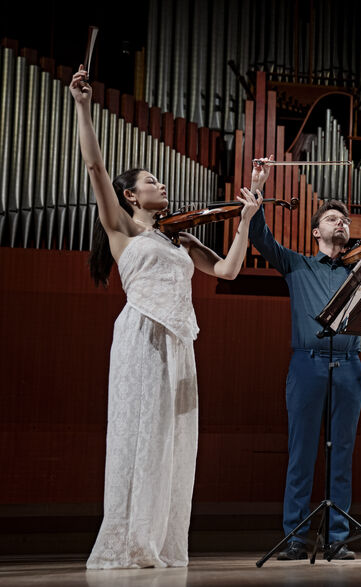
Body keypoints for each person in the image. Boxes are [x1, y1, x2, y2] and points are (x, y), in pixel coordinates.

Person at [69, 66, 262, 569]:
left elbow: (229, 271)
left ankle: (159, 541)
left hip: (180, 342)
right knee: (140, 432)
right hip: (141, 333)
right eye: (151, 180)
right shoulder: (124, 230)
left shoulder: (180, 238)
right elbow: (94, 168)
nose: (162, 184)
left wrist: (244, 222)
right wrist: (82, 107)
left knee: (174, 442)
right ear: (131, 195)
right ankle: (131, 539)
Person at [248, 158, 361, 561]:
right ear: (316, 232)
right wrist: (258, 189)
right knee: (302, 453)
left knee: (341, 454)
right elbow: (260, 236)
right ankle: (295, 537)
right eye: (331, 218)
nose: (339, 223)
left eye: (343, 220)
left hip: (350, 368)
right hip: (307, 365)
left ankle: (338, 537)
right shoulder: (297, 263)